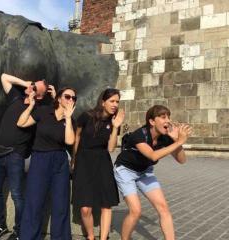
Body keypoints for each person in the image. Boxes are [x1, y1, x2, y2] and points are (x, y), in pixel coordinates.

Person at [0, 73, 55, 240]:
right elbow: (4, 77)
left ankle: (19, 230)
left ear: (39, 95)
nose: (31, 86)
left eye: (34, 87)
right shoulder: (15, 97)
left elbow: (56, 113)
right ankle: (0, 225)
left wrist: (51, 97)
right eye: (32, 84)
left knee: (17, 195)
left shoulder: (39, 111)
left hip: (15, 156)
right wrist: (25, 82)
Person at [114, 105, 193, 240]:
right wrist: (179, 140)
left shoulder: (165, 137)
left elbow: (182, 160)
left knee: (163, 208)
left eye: (168, 117)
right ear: (151, 121)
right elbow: (153, 156)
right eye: (163, 117)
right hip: (125, 171)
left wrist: (176, 141)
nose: (168, 120)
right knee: (136, 211)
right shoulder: (139, 135)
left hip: (145, 171)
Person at [17, 87, 76, 240]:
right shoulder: (44, 112)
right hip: (40, 159)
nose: (70, 100)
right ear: (59, 99)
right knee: (34, 202)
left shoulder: (70, 120)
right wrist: (31, 105)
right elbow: (21, 123)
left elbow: (69, 141)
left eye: (73, 98)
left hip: (59, 161)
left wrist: (68, 119)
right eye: (67, 96)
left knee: (61, 205)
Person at [71, 88, 125, 240]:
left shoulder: (114, 121)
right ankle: (90, 236)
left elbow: (111, 147)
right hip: (84, 161)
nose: (115, 104)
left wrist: (115, 127)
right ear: (103, 102)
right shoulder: (87, 116)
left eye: (117, 102)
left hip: (102, 162)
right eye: (112, 101)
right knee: (85, 208)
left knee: (105, 204)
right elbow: (77, 136)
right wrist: (74, 159)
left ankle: (103, 238)